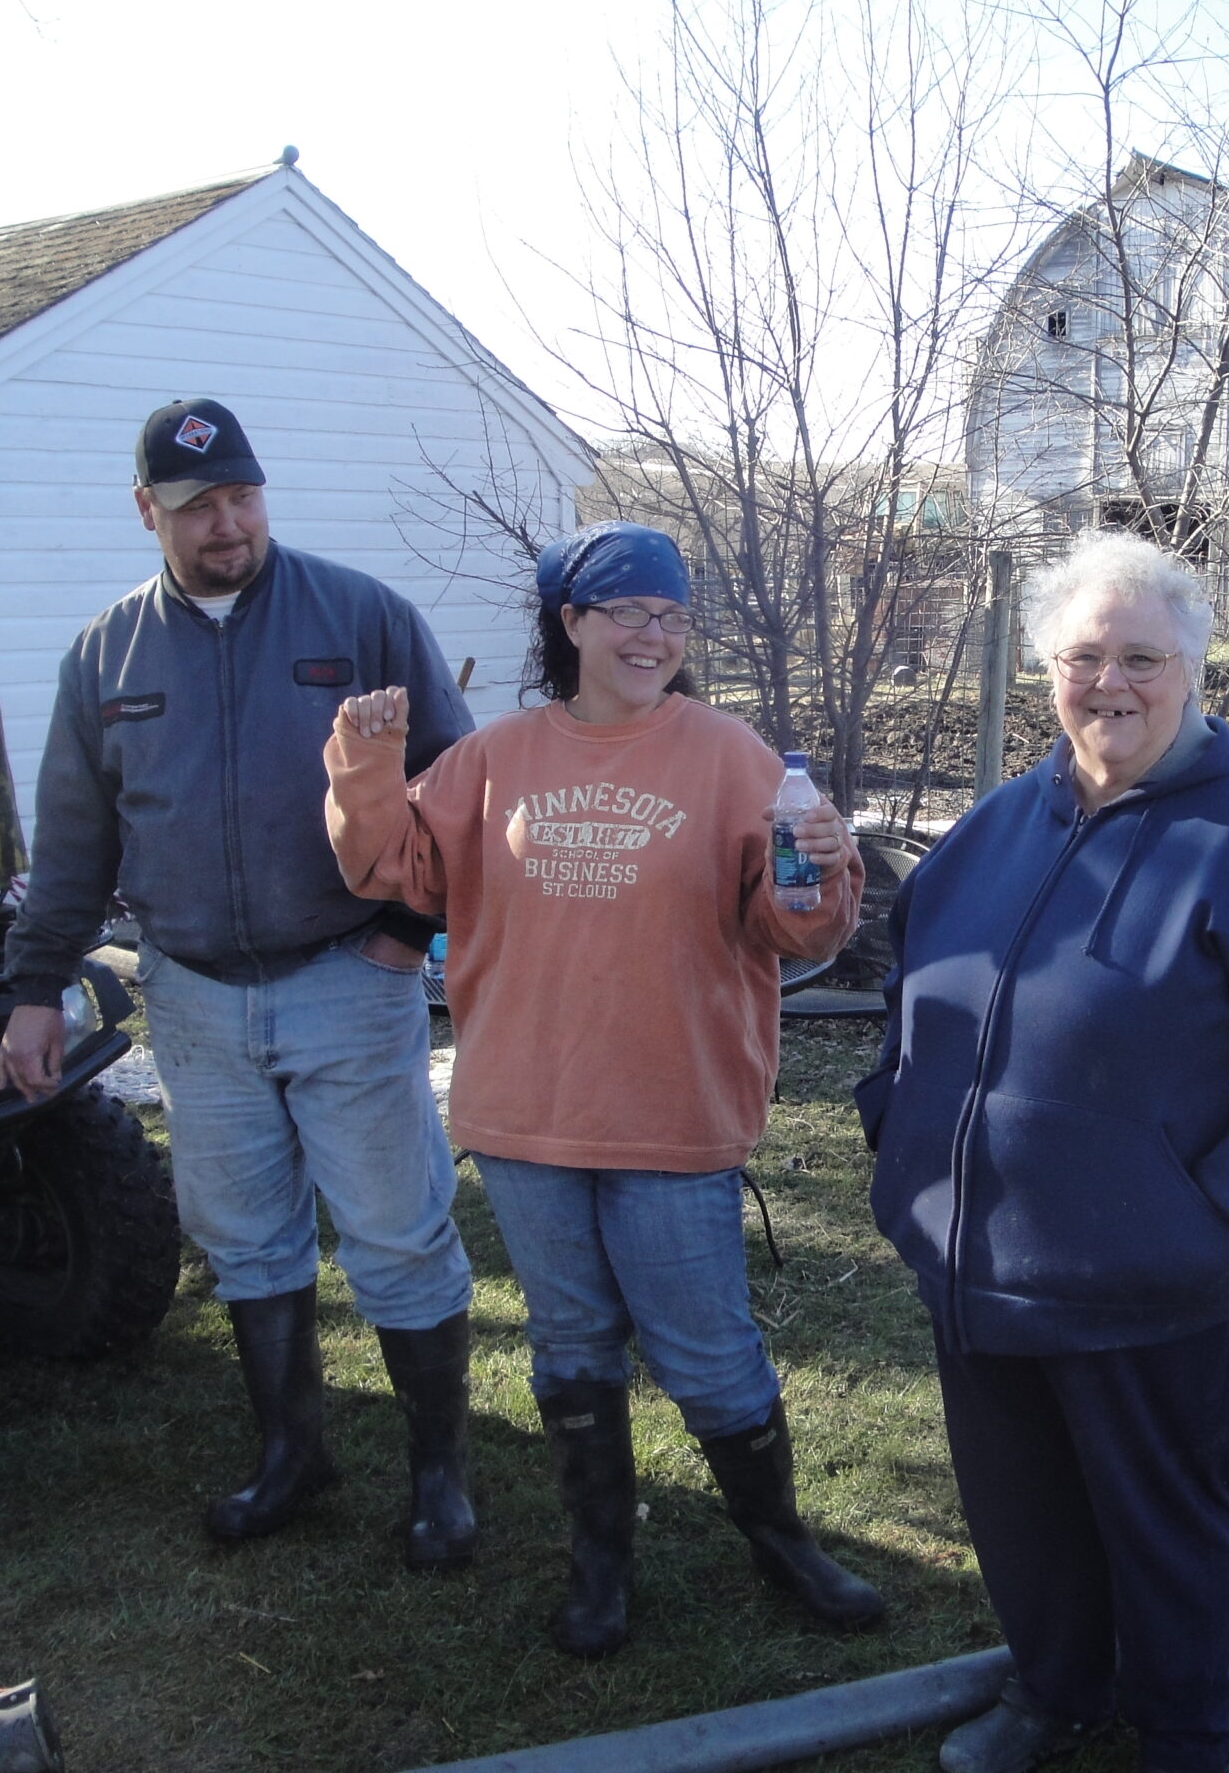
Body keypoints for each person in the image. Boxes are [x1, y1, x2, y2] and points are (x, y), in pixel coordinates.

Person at [858, 530, 1229, 1773]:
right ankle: (1055, 1692)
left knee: (1160, 1523)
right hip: (973, 1262)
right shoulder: (995, 827)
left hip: (1152, 1281)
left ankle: (1183, 1736)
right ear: (1049, 667)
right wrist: (898, 1131)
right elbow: (914, 991)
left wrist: (1213, 1214)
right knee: (1019, 1507)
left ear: (1193, 670)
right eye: (1084, 656)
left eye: (1142, 657)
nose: (1112, 684)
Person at [322, 519, 886, 1658]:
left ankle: (784, 1547)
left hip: (670, 1105)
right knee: (569, 1343)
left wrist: (823, 869)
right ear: (570, 622)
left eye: (671, 614)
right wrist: (365, 766)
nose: (651, 633)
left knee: (708, 1351)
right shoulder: (494, 759)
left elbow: (793, 931)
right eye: (626, 609)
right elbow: (393, 870)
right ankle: (600, 1564)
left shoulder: (732, 758)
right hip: (529, 1110)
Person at [0, 397, 483, 1572]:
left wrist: (406, 932)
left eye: (243, 498)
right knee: (248, 1243)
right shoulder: (104, 654)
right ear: (147, 513)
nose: (228, 525)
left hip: (344, 977)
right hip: (195, 997)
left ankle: (440, 1480)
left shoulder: (359, 616)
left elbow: (461, 787)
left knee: (396, 1234)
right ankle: (291, 1456)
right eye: (199, 507)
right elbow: (73, 840)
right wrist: (33, 985)